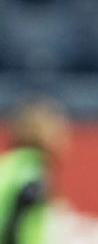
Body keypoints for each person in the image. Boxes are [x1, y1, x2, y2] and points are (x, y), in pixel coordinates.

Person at [0, 98, 69, 244]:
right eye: (56, 127)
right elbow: (13, 228)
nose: (64, 135)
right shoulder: (31, 171)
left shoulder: (9, 164)